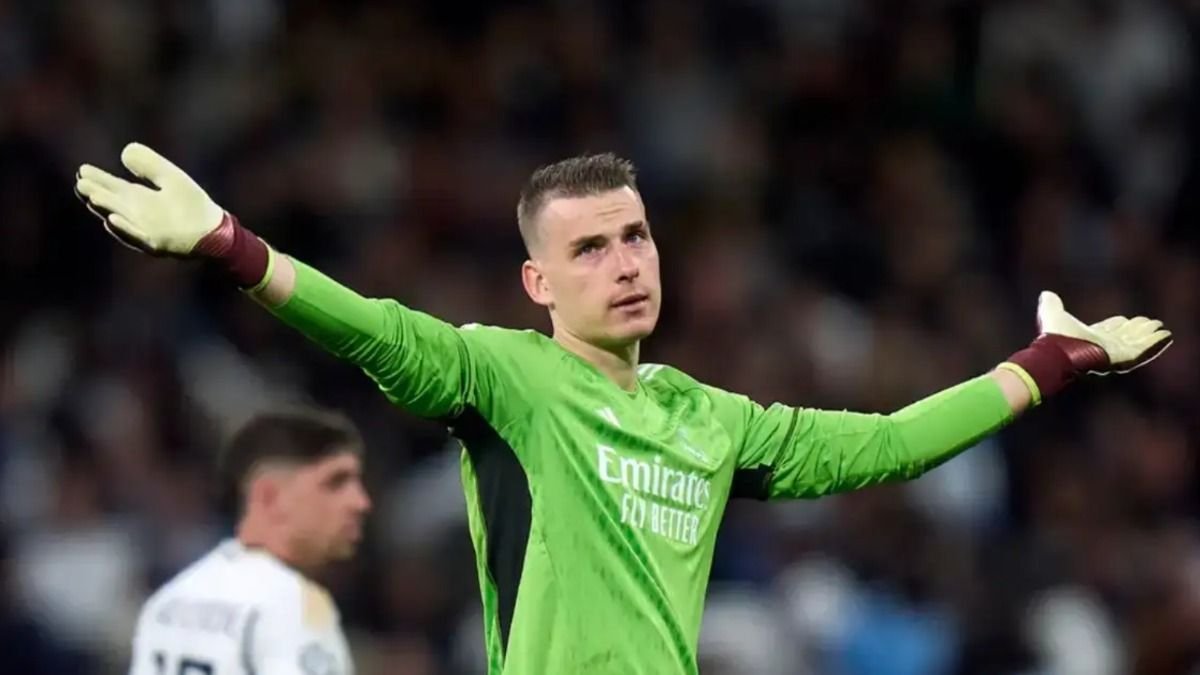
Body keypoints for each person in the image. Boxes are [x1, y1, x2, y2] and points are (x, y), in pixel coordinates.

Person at [76, 144, 1171, 675]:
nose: (626, 262)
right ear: (539, 284)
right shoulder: (507, 377)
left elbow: (885, 446)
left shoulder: (712, 420)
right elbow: (376, 331)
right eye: (590, 248)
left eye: (636, 236)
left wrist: (1051, 361)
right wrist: (231, 246)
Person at [125, 407, 371, 675]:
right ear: (270, 496)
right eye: (335, 483)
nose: (360, 502)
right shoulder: (292, 604)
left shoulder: (169, 599)